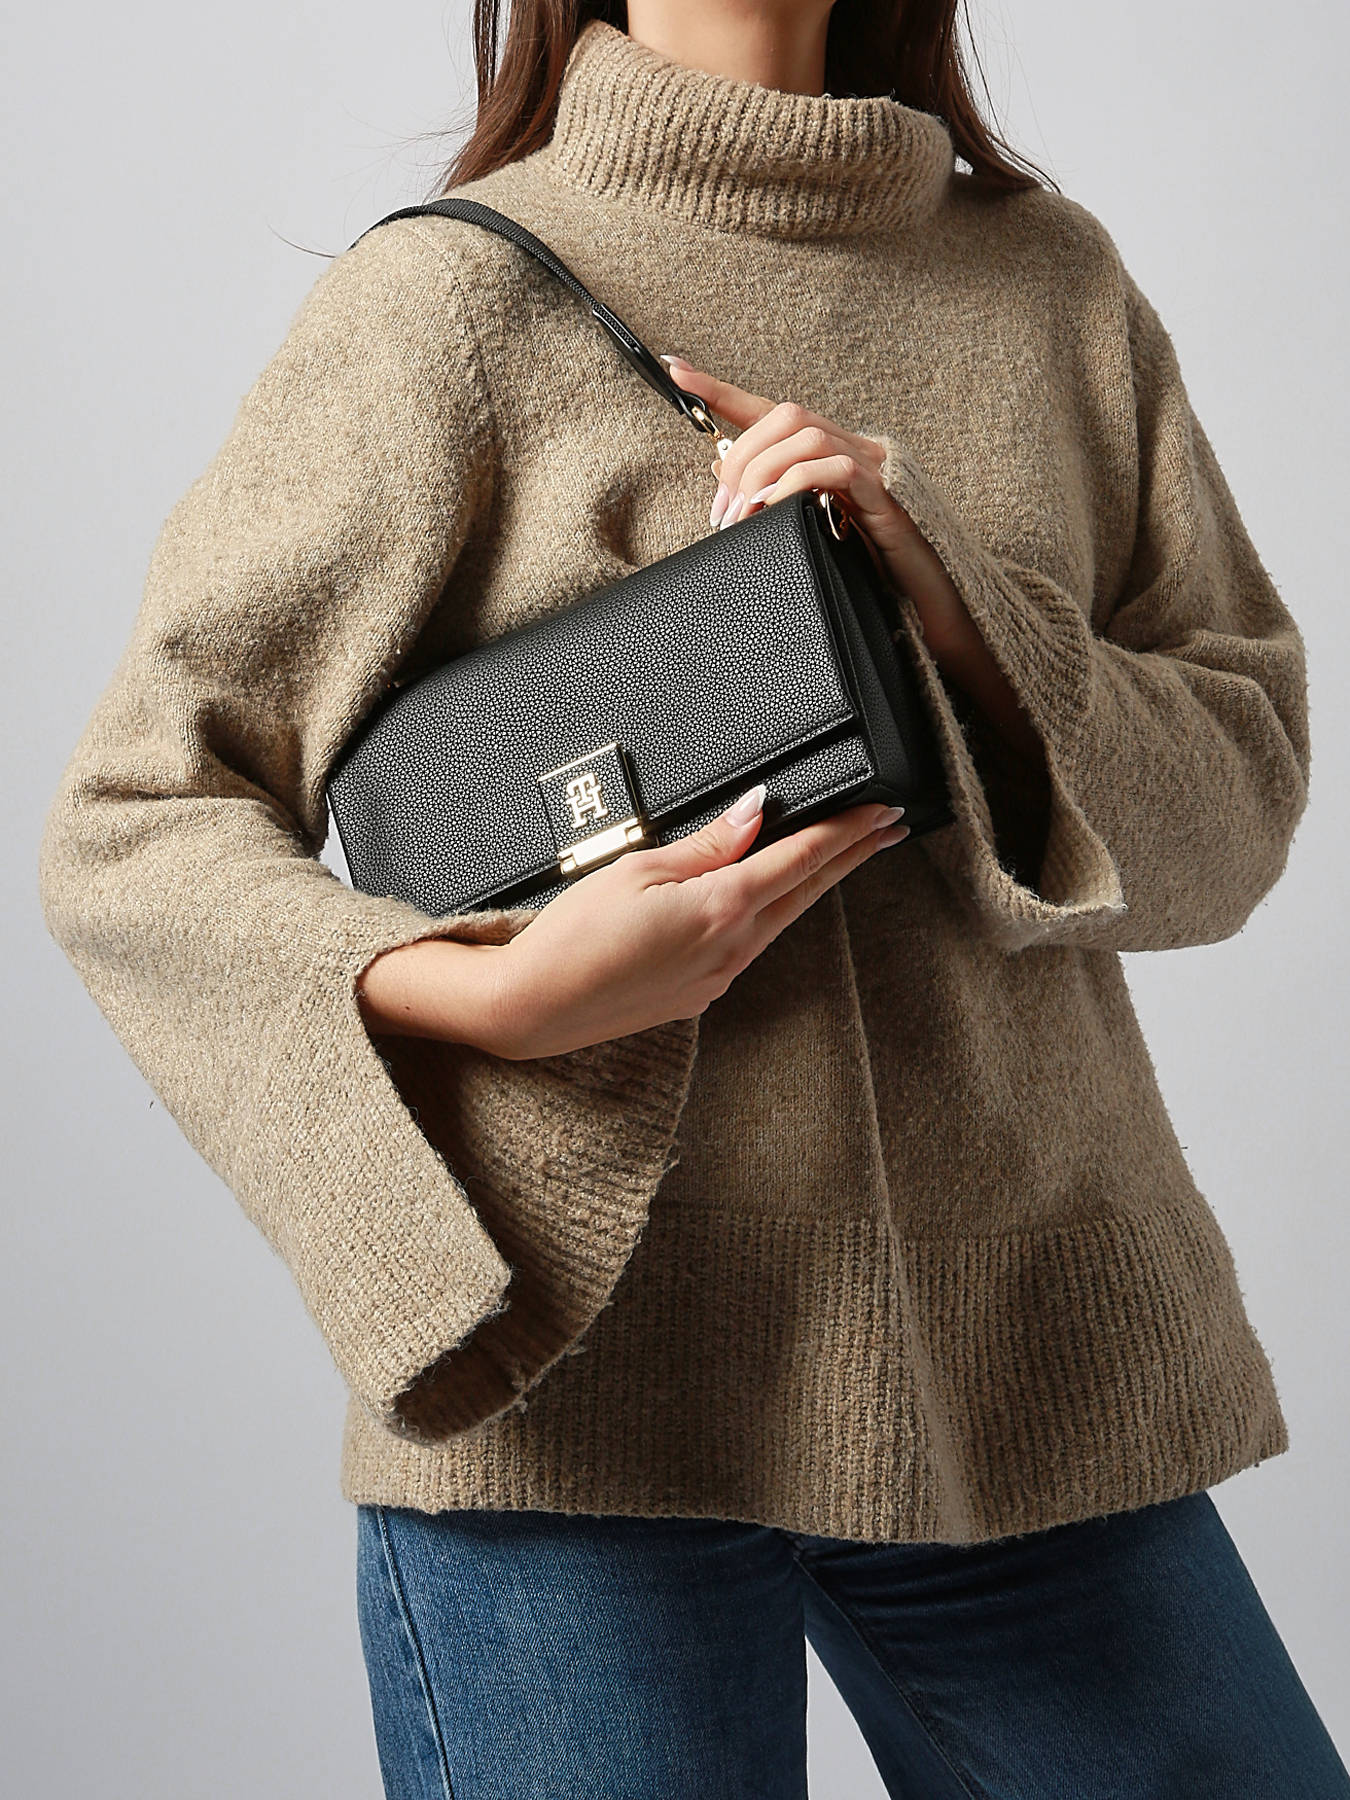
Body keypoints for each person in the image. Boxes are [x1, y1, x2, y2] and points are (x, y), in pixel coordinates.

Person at [37, 0, 1348, 1794]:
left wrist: (952, 598)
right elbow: (136, 818)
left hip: (1024, 1372)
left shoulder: (1050, 284)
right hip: (585, 1389)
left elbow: (1242, 793)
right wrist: (497, 990)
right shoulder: (451, 299)